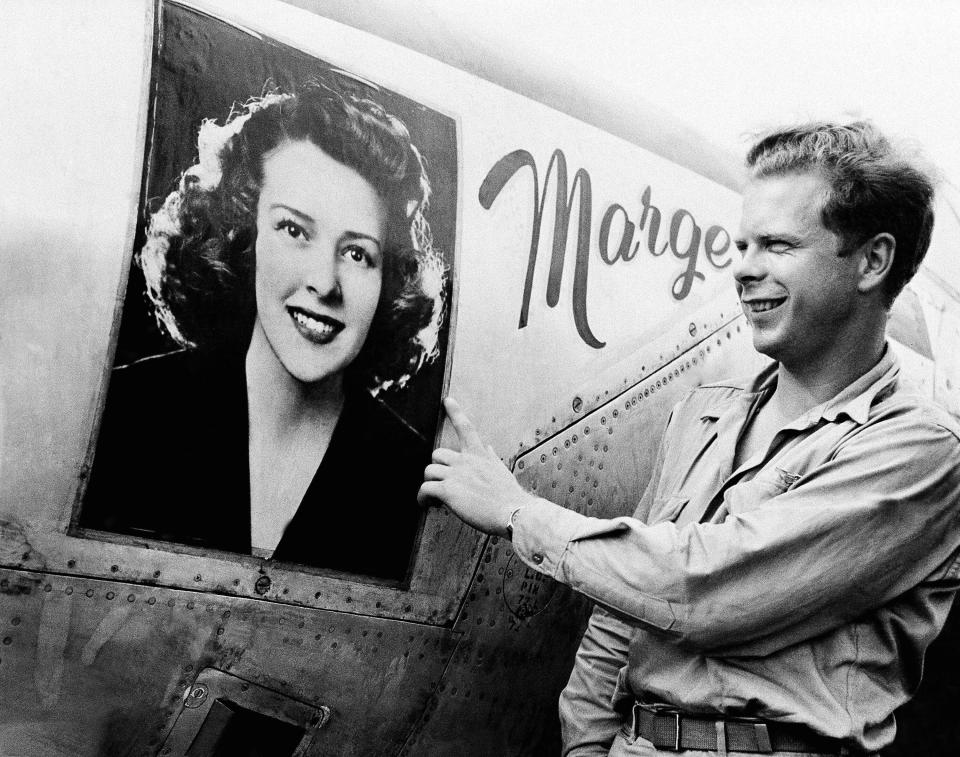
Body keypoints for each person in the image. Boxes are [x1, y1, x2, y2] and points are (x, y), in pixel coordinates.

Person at [420, 121, 960, 755]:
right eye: (742, 244)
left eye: (778, 245)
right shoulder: (706, 412)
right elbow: (622, 614)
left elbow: (703, 590)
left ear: (873, 260)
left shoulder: (922, 451)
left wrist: (517, 512)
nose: (744, 269)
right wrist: (588, 747)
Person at [82, 79, 447, 581]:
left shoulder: (410, 477)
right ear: (242, 235)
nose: (324, 282)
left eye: (358, 253)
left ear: (389, 283)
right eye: (294, 230)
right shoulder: (124, 411)